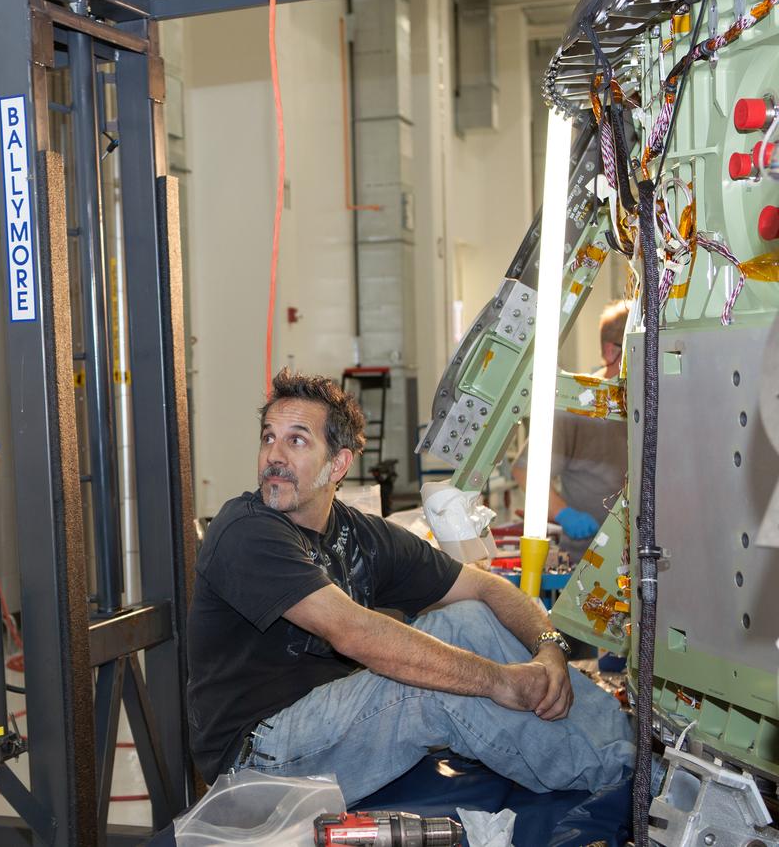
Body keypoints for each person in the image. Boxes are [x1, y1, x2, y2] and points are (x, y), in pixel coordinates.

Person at [186, 370, 633, 806]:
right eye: (268, 437)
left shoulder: (361, 534)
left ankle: (626, 756)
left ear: (338, 463)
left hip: (326, 726)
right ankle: (618, 785)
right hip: (257, 757)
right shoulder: (246, 531)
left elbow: (486, 587)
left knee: (468, 618)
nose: (274, 455)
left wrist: (549, 646)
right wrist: (498, 681)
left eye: (296, 440)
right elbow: (354, 632)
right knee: (432, 683)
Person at [512, 299, 631, 561]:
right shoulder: (577, 407)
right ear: (611, 352)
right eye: (636, 351)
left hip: (642, 555)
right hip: (587, 559)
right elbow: (525, 471)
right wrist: (564, 514)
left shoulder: (648, 406)